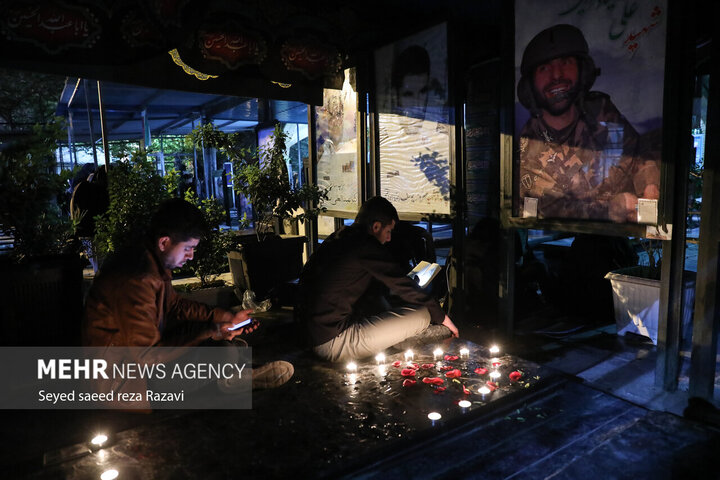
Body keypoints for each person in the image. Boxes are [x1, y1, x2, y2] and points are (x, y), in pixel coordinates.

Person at [83, 198, 293, 390]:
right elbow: (147, 358)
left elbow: (174, 306)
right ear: (164, 242)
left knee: (218, 344)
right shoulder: (137, 279)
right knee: (222, 353)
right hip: (120, 380)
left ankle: (229, 369)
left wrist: (226, 317)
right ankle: (229, 382)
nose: (191, 256)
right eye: (188, 249)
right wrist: (210, 332)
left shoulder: (150, 259)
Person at [517, 24, 660, 222]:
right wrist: (610, 210)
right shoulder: (529, 146)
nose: (556, 75)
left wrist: (648, 182)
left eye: (566, 62)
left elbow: (636, 153)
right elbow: (548, 207)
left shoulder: (600, 111)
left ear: (582, 72)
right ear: (531, 85)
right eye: (544, 68)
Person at [299, 196, 458, 363]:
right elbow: (403, 285)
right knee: (423, 315)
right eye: (388, 231)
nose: (389, 238)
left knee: (386, 302)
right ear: (376, 226)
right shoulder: (365, 246)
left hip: (312, 332)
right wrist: (443, 318)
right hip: (331, 341)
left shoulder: (340, 237)